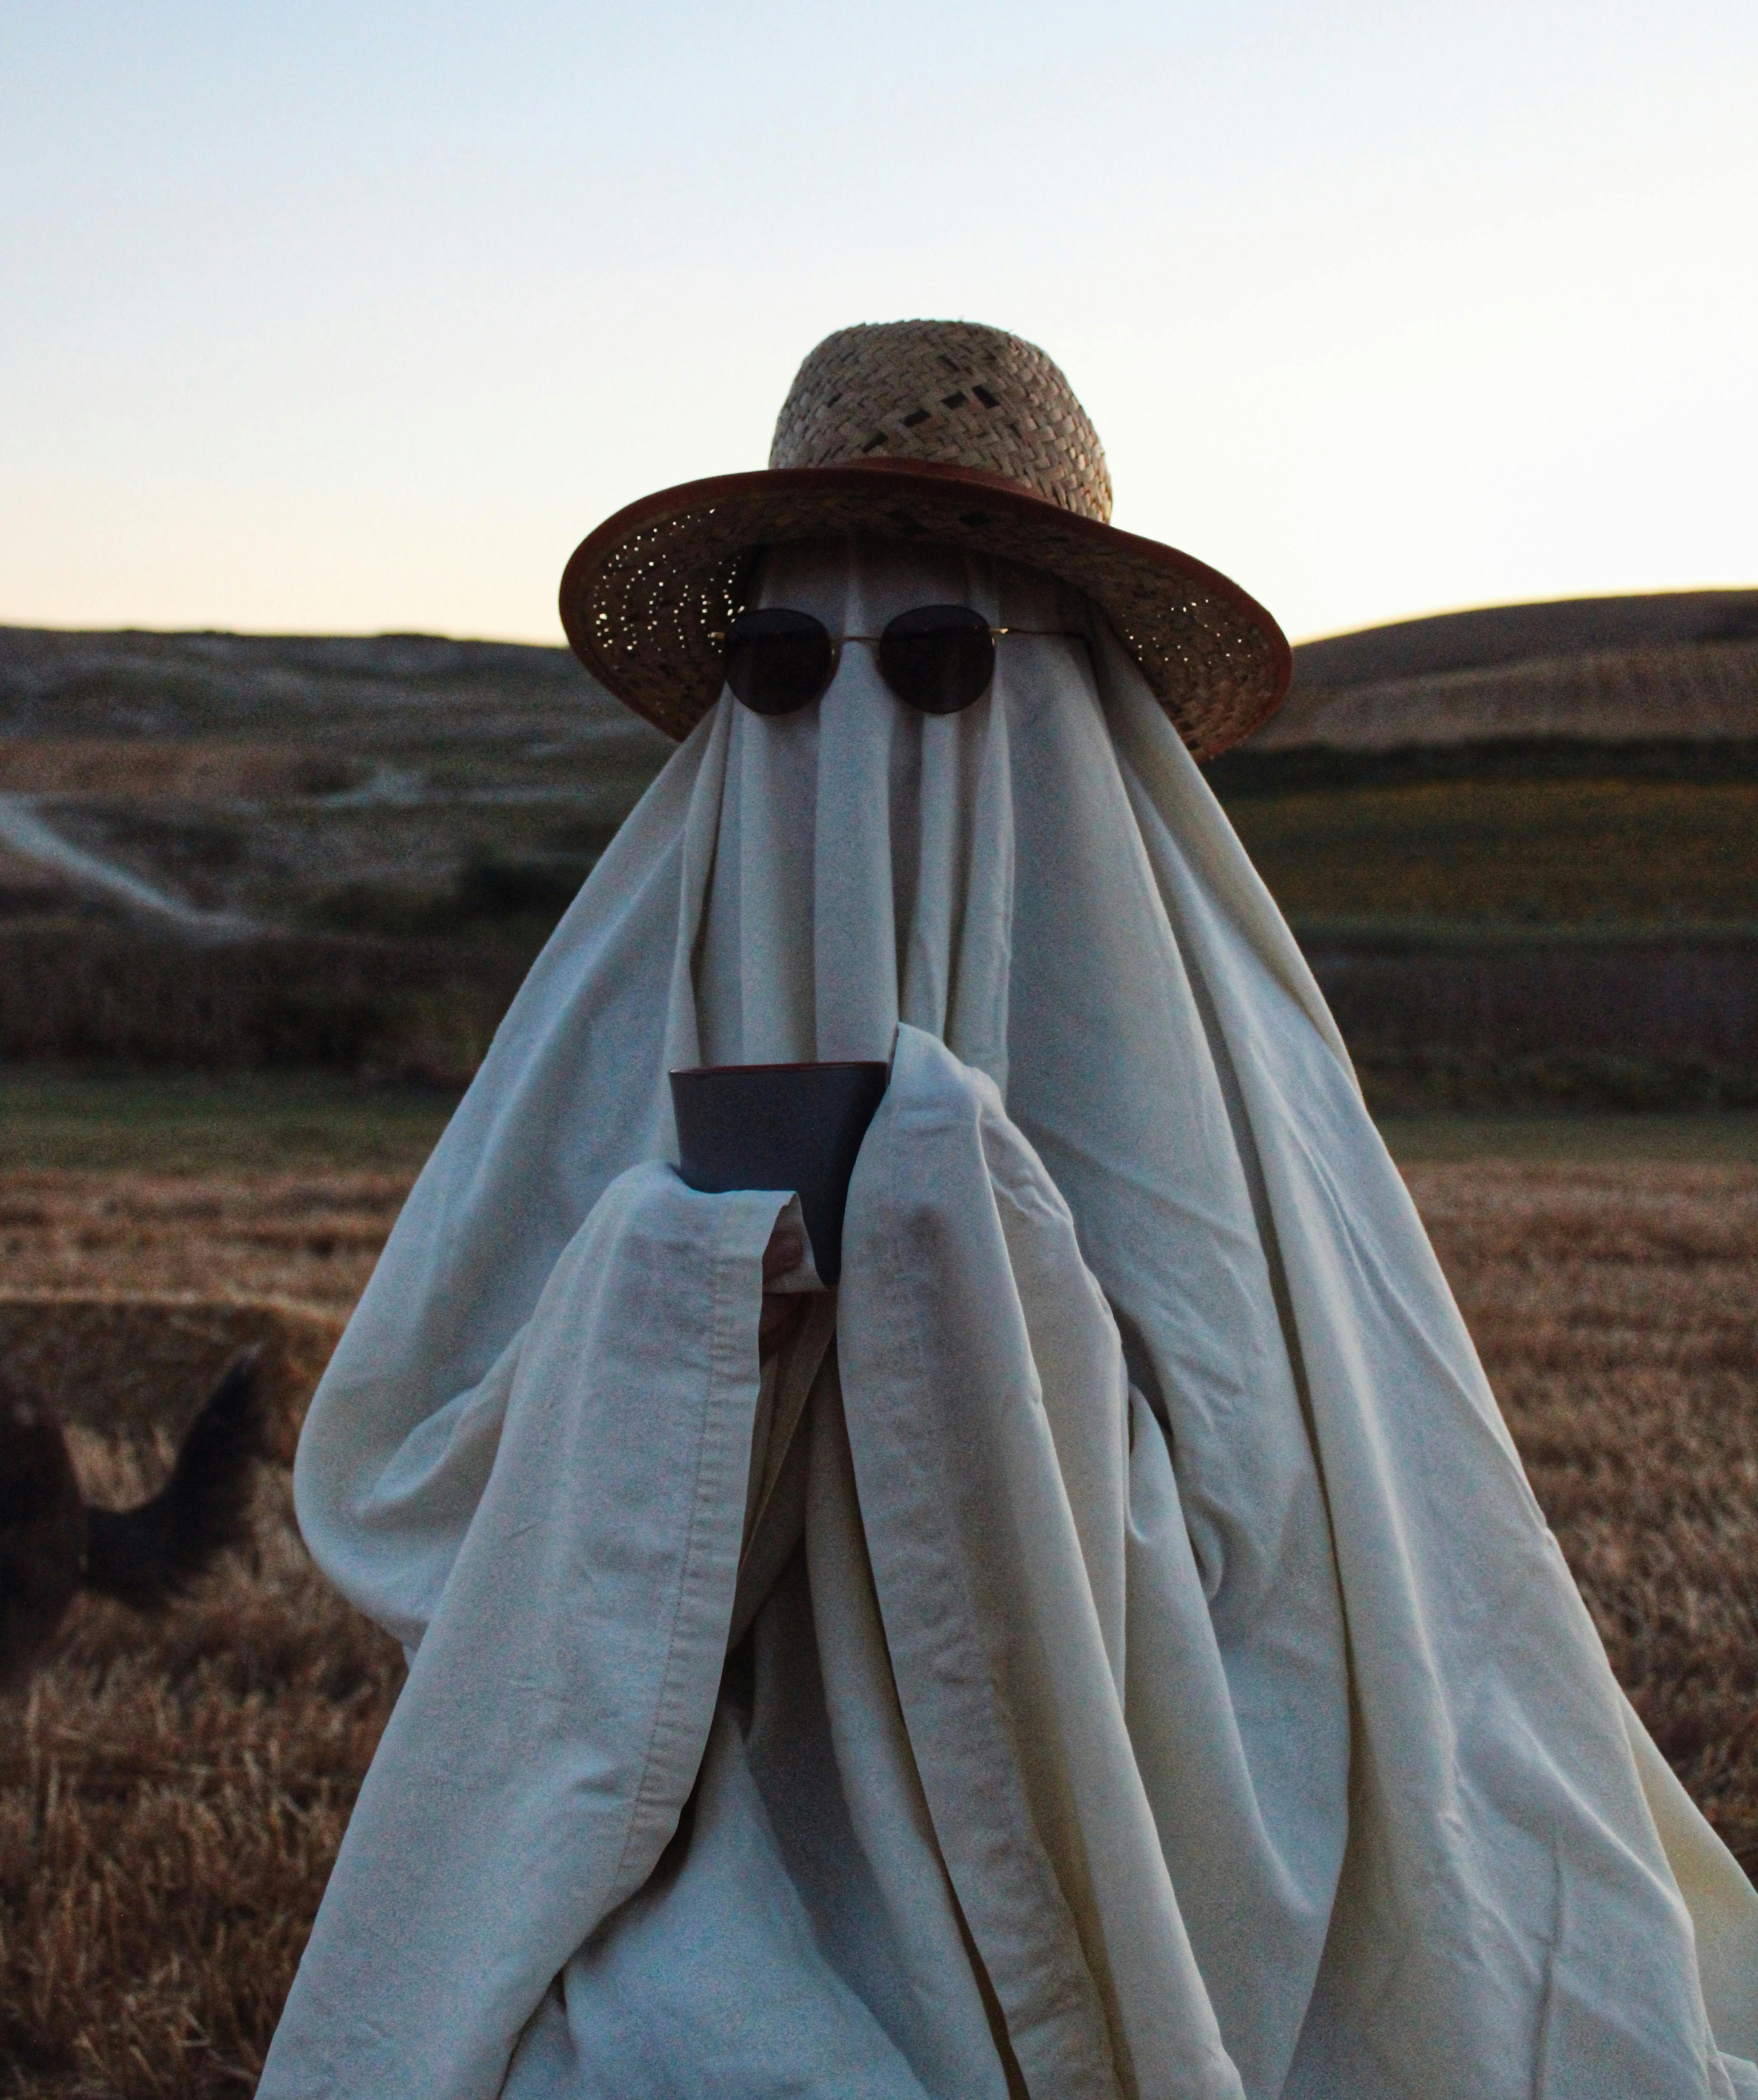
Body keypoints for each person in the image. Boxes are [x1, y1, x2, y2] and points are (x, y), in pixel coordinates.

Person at [259, 320, 1758, 2100]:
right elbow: (413, 1473)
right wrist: (680, 1304)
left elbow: (1275, 1571)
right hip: (697, 1834)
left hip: (1131, 1839)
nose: (852, 737)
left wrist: (965, 1283)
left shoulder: (1197, 1048)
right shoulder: (620, 991)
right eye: (781, 666)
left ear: (1058, 694)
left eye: (946, 664)